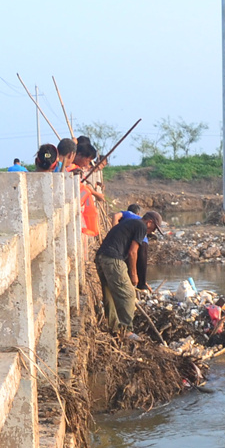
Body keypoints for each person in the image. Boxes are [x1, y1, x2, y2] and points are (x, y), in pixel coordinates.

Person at [95, 201, 150, 332]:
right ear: (150, 222)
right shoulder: (142, 226)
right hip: (113, 259)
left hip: (100, 257)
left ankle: (114, 329)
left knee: (109, 294)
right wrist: (134, 275)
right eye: (153, 229)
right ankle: (126, 330)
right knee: (129, 294)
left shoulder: (126, 222)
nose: (150, 232)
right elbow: (133, 252)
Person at [71, 138, 102, 239]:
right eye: (87, 160)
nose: (87, 164)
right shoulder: (72, 169)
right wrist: (95, 193)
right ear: (79, 155)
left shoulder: (77, 169)